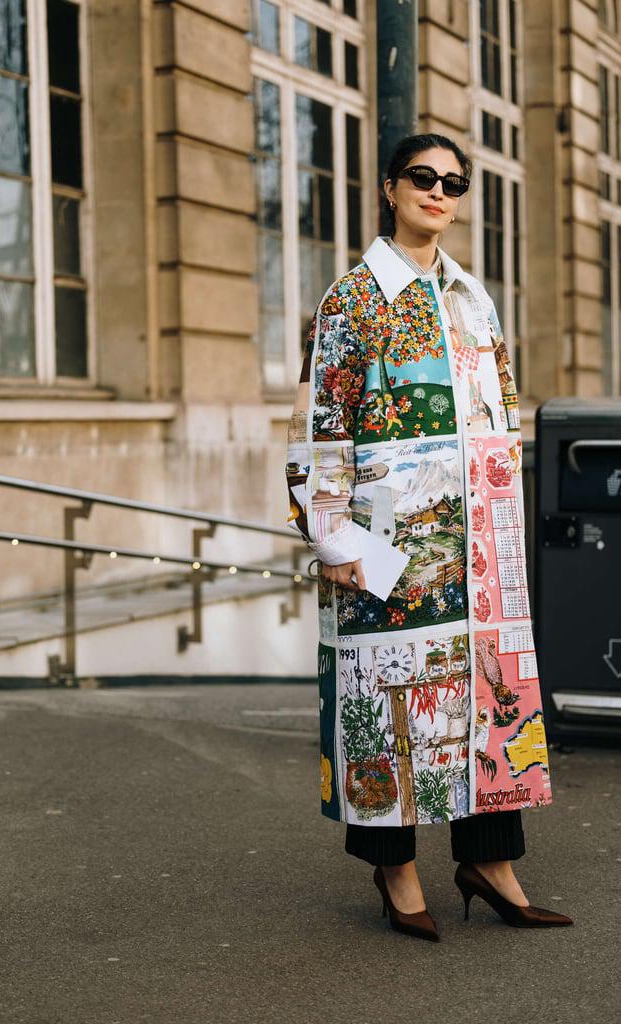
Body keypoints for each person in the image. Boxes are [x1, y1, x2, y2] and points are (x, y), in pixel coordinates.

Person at [284, 133, 573, 941]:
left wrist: (505, 530)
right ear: (389, 187)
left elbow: (501, 417)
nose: (438, 191)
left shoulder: (473, 300)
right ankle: (395, 868)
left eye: (454, 181)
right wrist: (333, 538)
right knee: (388, 705)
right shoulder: (352, 300)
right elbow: (318, 426)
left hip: (477, 545)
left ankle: (490, 862)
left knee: (489, 697)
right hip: (389, 545)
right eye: (423, 177)